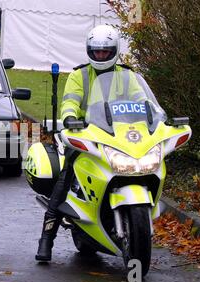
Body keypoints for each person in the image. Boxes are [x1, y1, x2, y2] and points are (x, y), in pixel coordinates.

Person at [35, 25, 144, 262]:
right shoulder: (79, 75)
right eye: (97, 51)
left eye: (106, 52)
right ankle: (46, 240)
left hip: (120, 137)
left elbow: (142, 101)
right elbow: (70, 102)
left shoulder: (127, 76)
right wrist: (71, 119)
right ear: (89, 51)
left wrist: (151, 115)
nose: (101, 56)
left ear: (114, 51)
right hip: (85, 136)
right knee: (65, 179)